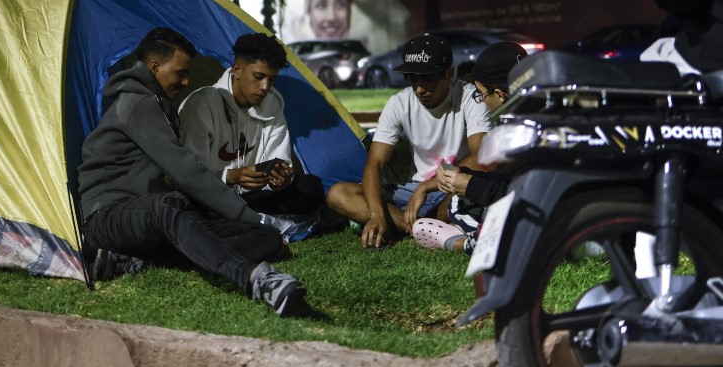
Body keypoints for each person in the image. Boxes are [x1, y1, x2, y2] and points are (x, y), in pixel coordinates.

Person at [77, 26, 313, 317]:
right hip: (107, 217)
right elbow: (185, 172)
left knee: (265, 237)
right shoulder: (137, 104)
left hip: (152, 219)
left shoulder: (160, 105)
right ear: (154, 67)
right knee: (171, 205)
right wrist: (246, 211)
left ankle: (142, 259)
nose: (187, 81)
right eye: (180, 73)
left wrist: (260, 224)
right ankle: (257, 279)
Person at [325, 33, 492, 248]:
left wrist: (427, 188)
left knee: (462, 197)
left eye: (429, 78)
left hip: (453, 188)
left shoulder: (470, 97)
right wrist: (376, 214)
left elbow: (482, 157)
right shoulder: (399, 103)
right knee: (338, 194)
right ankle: (418, 227)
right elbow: (374, 165)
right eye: (413, 78)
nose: (420, 88)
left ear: (450, 73)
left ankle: (419, 225)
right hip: (412, 190)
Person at [179, 32, 326, 217]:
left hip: (255, 198)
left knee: (310, 187)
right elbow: (190, 174)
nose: (265, 87)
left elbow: (280, 162)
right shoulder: (203, 104)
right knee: (193, 204)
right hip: (212, 195)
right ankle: (244, 219)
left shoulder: (272, 106)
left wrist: (280, 179)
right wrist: (231, 176)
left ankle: (245, 219)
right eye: (258, 76)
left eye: (271, 79)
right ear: (237, 70)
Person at [412, 42, 527, 253]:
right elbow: (512, 180)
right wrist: (465, 175)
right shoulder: (525, 119)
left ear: (500, 94)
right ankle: (476, 232)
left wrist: (471, 185)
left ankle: (466, 243)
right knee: (458, 203)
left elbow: (528, 197)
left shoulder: (528, 130)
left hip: (557, 218)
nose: (482, 102)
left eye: (482, 94)